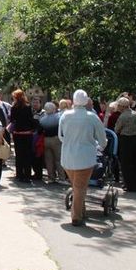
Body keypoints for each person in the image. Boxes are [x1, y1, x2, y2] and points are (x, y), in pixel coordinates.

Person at [58, 89, 108, 226]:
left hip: (67, 157)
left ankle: (81, 211)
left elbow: (60, 136)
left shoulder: (65, 115)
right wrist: (101, 146)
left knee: (76, 186)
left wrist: (69, 142)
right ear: (86, 101)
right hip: (85, 157)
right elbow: (102, 137)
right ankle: (76, 216)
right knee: (80, 187)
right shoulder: (92, 117)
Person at [9, 89, 36, 183]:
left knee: (19, 154)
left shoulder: (14, 107)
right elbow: (30, 119)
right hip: (27, 133)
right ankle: (27, 175)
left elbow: (12, 120)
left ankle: (19, 174)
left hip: (18, 133)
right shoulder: (28, 107)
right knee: (27, 154)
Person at [115, 97, 136, 192]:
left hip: (125, 140)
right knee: (133, 163)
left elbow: (117, 129)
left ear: (122, 106)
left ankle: (128, 185)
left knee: (126, 164)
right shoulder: (135, 114)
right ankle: (134, 184)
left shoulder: (123, 116)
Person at [39, 102, 63, 182]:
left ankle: (51, 177)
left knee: (48, 159)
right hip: (56, 139)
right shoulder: (59, 117)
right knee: (58, 159)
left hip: (46, 139)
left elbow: (39, 131)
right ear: (54, 109)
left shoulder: (42, 119)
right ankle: (61, 177)